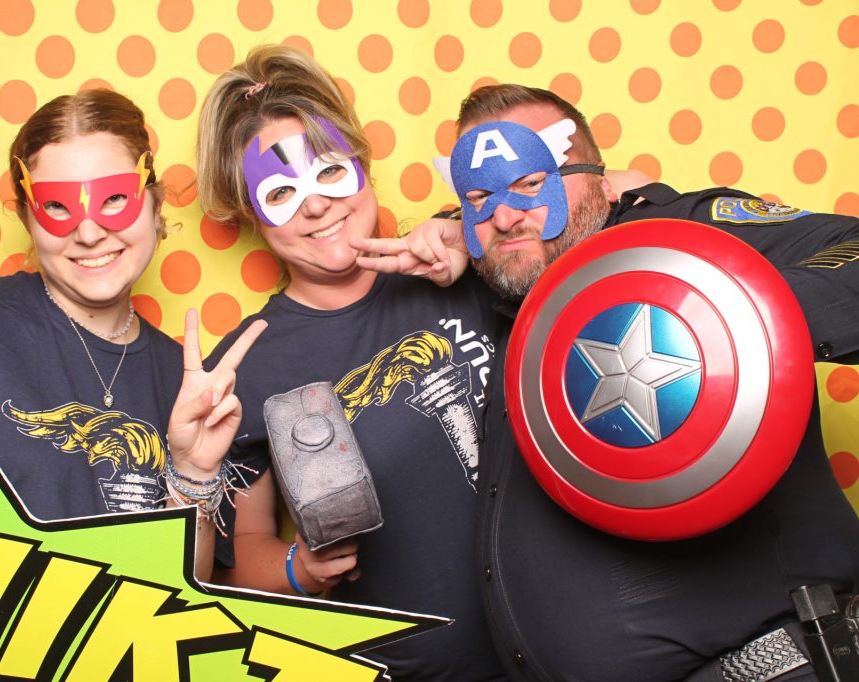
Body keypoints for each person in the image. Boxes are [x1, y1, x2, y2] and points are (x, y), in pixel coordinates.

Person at [361, 83, 859, 681]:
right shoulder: (507, 301)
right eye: (476, 198)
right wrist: (451, 227)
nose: (505, 213)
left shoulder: (681, 241)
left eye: (529, 183)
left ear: (601, 179)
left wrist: (728, 324)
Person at [0, 89, 265, 579]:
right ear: (26, 218)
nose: (88, 233)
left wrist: (194, 472)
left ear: (154, 203)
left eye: (115, 198)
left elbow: (185, 600)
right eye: (58, 208)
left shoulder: (187, 382)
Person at [194, 44, 510, 681]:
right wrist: (299, 569)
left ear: (361, 163)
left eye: (328, 171)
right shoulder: (245, 360)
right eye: (280, 190)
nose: (315, 205)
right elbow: (239, 555)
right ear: (251, 212)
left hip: (566, 647)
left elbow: (609, 206)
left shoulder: (466, 263)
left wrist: (476, 239)